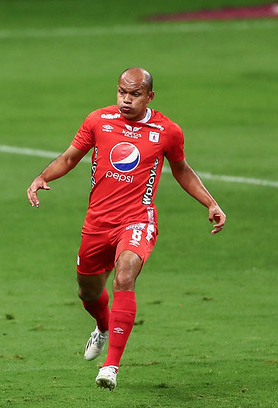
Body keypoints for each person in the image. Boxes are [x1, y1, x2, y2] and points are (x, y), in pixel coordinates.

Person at [26, 67, 226, 391]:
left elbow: (182, 171)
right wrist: (42, 177)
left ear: (149, 96)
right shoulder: (98, 121)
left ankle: (111, 366)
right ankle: (103, 326)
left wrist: (211, 203)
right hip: (97, 222)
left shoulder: (167, 131)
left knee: (124, 277)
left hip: (137, 219)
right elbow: (69, 157)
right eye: (121, 92)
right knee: (88, 292)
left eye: (134, 94)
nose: (126, 100)